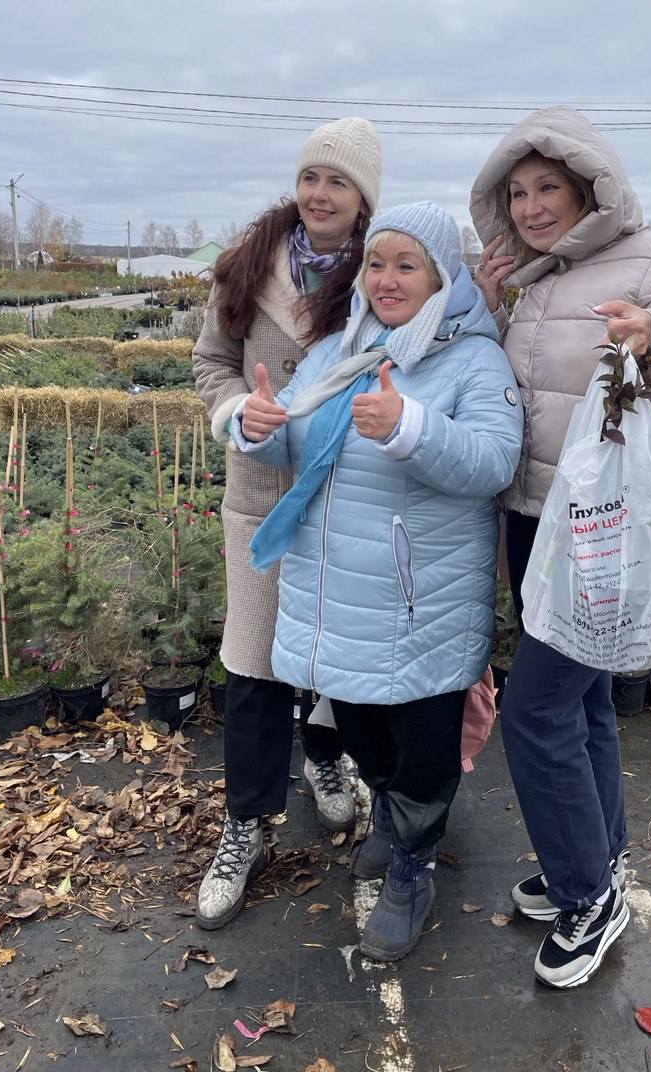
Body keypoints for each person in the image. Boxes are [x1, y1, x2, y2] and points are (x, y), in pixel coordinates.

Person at [470, 106, 651, 988]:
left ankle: (588, 896)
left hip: (600, 534)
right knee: (580, 706)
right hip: (529, 522)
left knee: (535, 712)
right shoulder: (530, 276)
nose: (532, 207)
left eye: (549, 187)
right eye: (517, 192)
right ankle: (599, 858)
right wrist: (488, 307)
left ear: (594, 186)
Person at [233, 202, 523, 961]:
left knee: (422, 744)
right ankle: (394, 816)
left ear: (442, 278)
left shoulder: (473, 360)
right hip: (339, 596)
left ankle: (412, 862)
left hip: (419, 599)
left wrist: (409, 428)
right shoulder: (341, 348)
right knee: (359, 727)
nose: (387, 280)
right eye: (376, 264)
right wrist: (255, 426)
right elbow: (296, 440)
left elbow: (495, 461)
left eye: (406, 265)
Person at [191, 117, 382, 930]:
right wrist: (240, 410)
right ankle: (246, 824)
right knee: (255, 663)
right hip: (262, 496)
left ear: (364, 197)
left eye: (338, 181)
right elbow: (211, 363)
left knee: (335, 654)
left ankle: (328, 764)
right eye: (311, 177)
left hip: (346, 495)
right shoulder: (246, 265)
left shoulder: (384, 272)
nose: (320, 194)